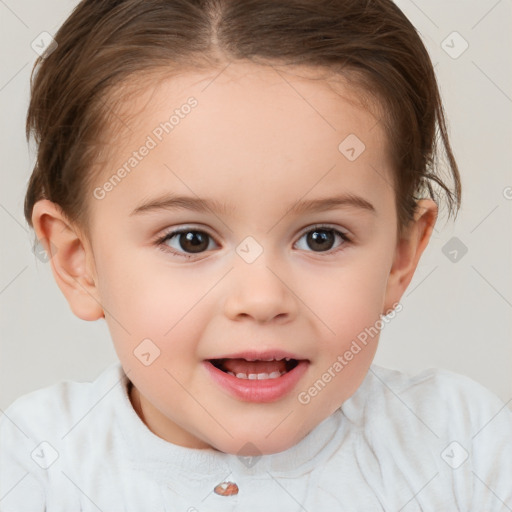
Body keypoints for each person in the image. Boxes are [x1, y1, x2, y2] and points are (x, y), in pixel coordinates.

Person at [1, 0, 511, 510]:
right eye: (191, 240)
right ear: (78, 262)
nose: (263, 298)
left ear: (400, 257)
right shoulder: (30, 470)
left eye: (321, 238)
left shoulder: (466, 448)